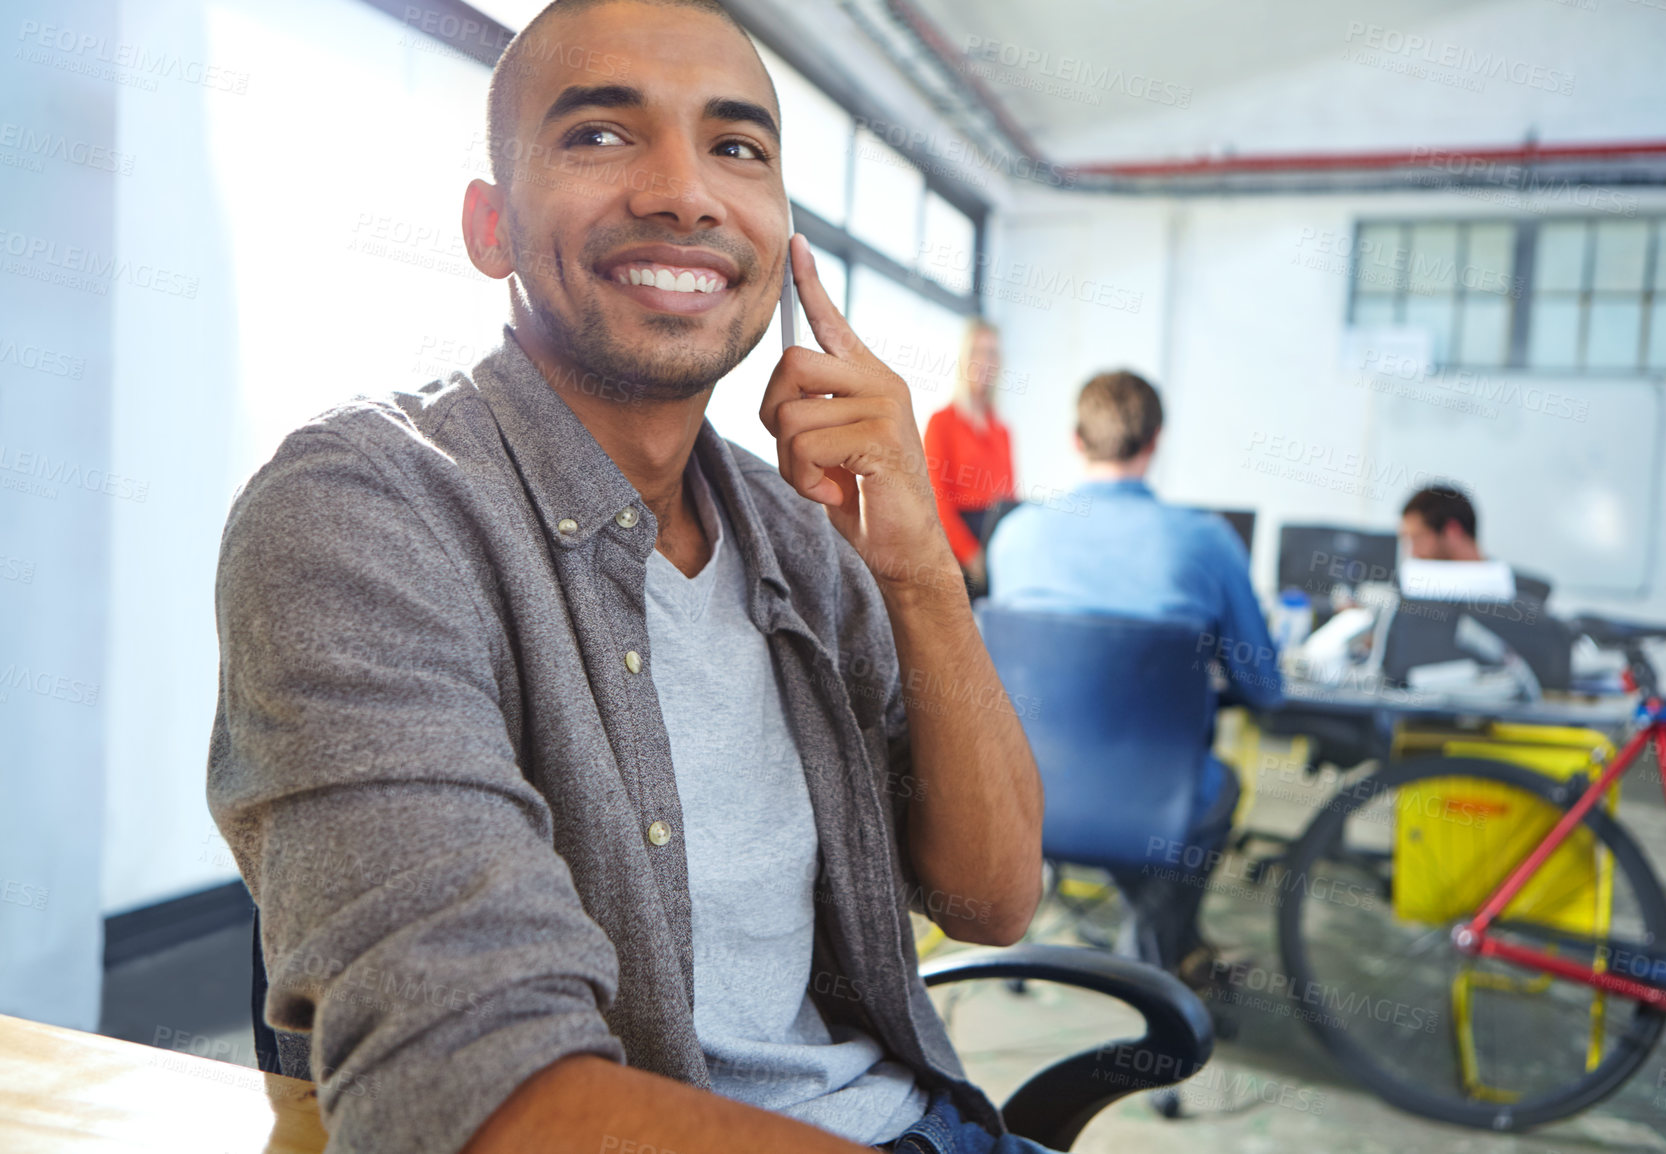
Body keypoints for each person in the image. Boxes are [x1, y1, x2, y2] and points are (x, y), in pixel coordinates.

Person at [205, 4, 1047, 1153]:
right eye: (601, 134)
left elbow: (993, 898)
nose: (683, 193)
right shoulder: (367, 510)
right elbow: (479, 1093)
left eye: (737, 147)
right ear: (490, 226)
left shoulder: (803, 533)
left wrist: (920, 574)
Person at [987, 370, 1281, 980]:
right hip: (1156, 807)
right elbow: (1263, 687)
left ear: (1076, 440)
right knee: (1215, 786)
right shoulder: (1206, 540)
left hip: (1020, 798)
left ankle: (1162, 949)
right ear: (1156, 441)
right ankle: (1156, 953)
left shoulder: (1015, 535)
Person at [922, 319, 1015, 595]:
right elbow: (936, 499)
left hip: (994, 549)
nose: (985, 361)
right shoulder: (941, 423)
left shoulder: (1002, 431)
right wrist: (971, 555)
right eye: (977, 351)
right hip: (956, 551)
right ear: (964, 358)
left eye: (992, 353)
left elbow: (1008, 499)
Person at [1399, 484, 1550, 603]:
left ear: (1452, 531)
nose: (1413, 553)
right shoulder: (1414, 597)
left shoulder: (1529, 596)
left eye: (1418, 538)